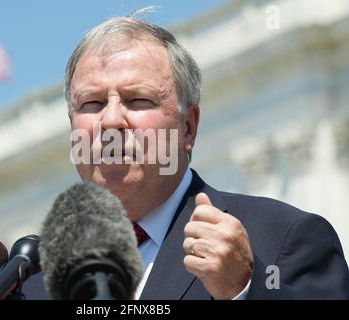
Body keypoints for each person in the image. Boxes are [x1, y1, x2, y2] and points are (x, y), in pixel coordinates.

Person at [23, 11, 349, 299]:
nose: (110, 121)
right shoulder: (31, 281)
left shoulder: (283, 239)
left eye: (138, 100)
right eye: (91, 104)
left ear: (188, 128)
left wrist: (245, 290)